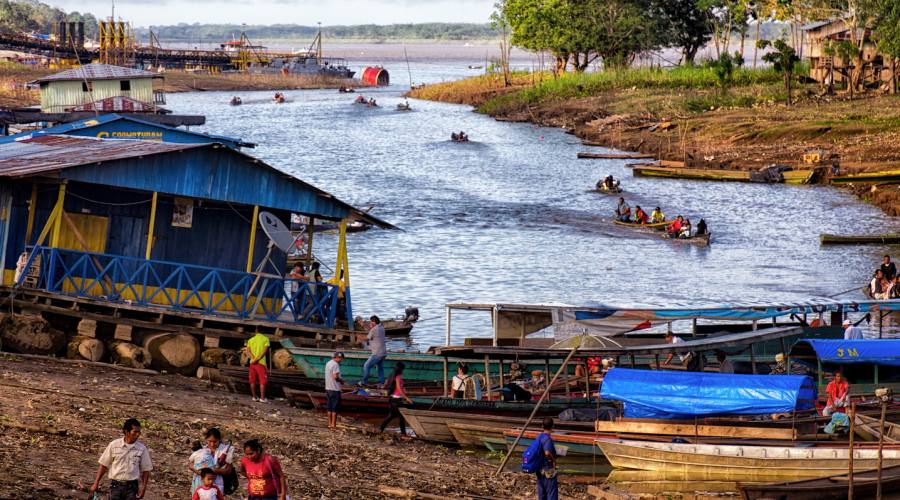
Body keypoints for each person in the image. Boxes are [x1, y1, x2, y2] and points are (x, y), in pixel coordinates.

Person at [89, 418, 153, 500]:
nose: (137, 435)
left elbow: (146, 470)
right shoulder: (114, 445)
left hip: (132, 488)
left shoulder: (142, 448)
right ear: (127, 431)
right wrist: (96, 483)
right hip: (115, 487)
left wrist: (143, 488)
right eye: (135, 432)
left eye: (139, 432)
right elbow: (103, 465)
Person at [189, 428, 234, 496]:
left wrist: (214, 471)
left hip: (217, 483)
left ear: (219, 440)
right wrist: (199, 472)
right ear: (206, 439)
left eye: (215, 441)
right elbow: (191, 465)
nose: (212, 444)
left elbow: (229, 470)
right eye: (209, 441)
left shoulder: (225, 450)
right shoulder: (201, 450)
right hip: (200, 483)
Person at [379, 361, 414, 434]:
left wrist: (383, 387)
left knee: (391, 416)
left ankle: (380, 429)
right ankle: (403, 434)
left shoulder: (391, 375)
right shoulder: (398, 377)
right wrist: (407, 398)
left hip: (392, 399)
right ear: (401, 369)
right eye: (403, 369)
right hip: (397, 400)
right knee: (401, 418)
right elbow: (399, 389)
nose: (403, 371)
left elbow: (386, 384)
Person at [535, 417, 558, 500]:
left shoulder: (539, 437)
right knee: (551, 494)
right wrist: (554, 460)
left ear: (542, 426)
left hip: (539, 469)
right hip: (548, 470)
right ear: (553, 426)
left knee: (542, 494)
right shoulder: (547, 439)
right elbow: (547, 453)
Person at [360, 315, 387, 386]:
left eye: (371, 322)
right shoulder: (381, 328)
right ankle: (382, 382)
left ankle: (364, 382)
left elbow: (367, 338)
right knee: (380, 368)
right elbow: (371, 333)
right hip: (383, 352)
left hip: (377, 353)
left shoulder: (374, 330)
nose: (370, 323)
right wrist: (366, 326)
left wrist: (359, 337)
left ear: (374, 322)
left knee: (366, 366)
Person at [246, 331, 270, 403]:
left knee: (252, 380)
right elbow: (264, 352)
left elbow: (248, 351)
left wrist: (253, 359)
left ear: (256, 331)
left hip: (252, 363)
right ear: (263, 331)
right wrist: (257, 359)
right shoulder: (265, 339)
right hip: (261, 363)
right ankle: (262, 398)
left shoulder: (250, 340)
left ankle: (254, 397)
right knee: (262, 381)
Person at [325, 351, 346, 430]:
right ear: (338, 358)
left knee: (329, 407)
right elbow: (335, 377)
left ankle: (329, 424)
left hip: (328, 388)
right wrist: (341, 381)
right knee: (335, 408)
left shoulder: (328, 363)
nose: (342, 360)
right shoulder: (335, 364)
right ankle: (333, 425)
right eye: (341, 359)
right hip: (335, 389)